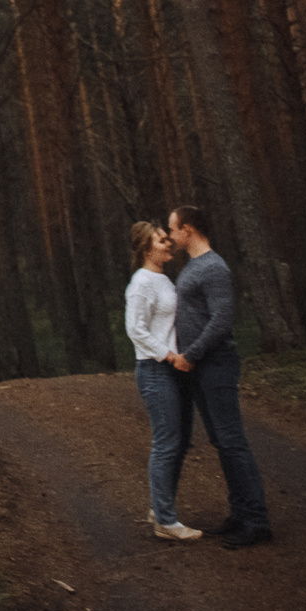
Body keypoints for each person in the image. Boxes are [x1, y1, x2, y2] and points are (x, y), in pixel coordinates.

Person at [167, 203, 273, 549]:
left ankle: (257, 522)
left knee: (232, 441)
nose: (170, 236)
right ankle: (240, 513)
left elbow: (222, 320)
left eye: (173, 229)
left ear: (189, 230)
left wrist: (191, 355)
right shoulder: (194, 266)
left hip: (216, 365)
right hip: (199, 367)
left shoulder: (213, 268)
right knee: (221, 442)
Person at [124, 221, 198, 541]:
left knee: (178, 441)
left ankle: (160, 506)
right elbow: (135, 330)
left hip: (175, 370)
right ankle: (165, 522)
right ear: (145, 248)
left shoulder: (163, 279)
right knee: (167, 443)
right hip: (156, 371)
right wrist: (168, 355)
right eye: (161, 240)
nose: (169, 244)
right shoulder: (141, 283)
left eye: (168, 240)